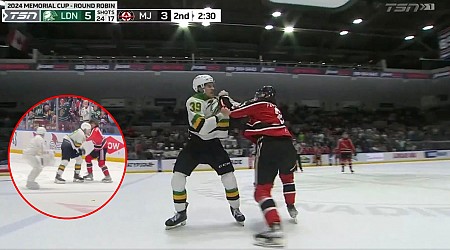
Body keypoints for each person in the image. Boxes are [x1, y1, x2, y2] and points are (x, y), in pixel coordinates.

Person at [164, 74, 245, 230]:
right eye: (209, 86)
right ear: (200, 87)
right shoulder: (193, 101)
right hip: (195, 144)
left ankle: (235, 209)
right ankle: (180, 213)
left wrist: (229, 99)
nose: (212, 88)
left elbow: (240, 109)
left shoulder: (217, 100)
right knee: (177, 179)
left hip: (213, 145)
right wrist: (222, 114)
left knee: (229, 179)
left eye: (212, 85)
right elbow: (202, 127)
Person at [221, 86, 298, 248]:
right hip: (288, 146)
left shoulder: (260, 104)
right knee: (287, 177)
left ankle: (275, 228)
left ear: (264, 95)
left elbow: (233, 111)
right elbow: (244, 110)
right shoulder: (274, 109)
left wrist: (223, 97)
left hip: (269, 145)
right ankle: (291, 206)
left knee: (262, 191)